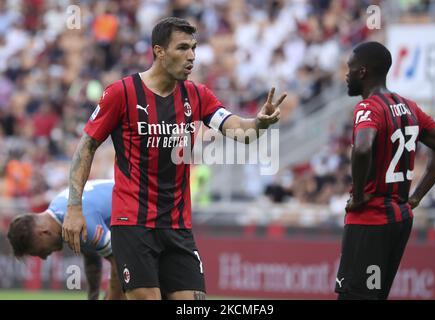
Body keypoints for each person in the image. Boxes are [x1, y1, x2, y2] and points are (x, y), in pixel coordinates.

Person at [62, 17, 286, 300]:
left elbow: (238, 129)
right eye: (182, 48)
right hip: (134, 223)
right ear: (159, 51)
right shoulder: (122, 93)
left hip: (178, 226)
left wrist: (259, 124)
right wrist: (74, 207)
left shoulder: (197, 95)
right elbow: (86, 146)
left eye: (194, 48)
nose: (191, 56)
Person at [336, 41, 435, 300]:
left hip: (370, 220)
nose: (346, 74)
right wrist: (418, 195)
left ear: (363, 72)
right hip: (399, 219)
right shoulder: (409, 106)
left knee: (355, 296)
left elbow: (363, 148)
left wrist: (359, 196)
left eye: (350, 68)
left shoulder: (368, 107)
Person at [7, 179, 125, 300]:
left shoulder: (77, 221)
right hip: (135, 207)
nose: (43, 257)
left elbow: (120, 263)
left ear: (43, 233)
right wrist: (93, 297)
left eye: (37, 251)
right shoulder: (60, 209)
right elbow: (92, 257)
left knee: (133, 290)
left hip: (141, 206)